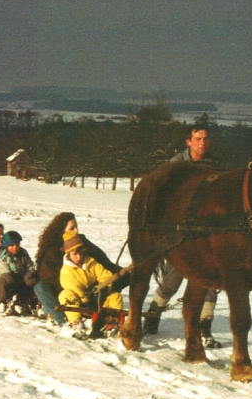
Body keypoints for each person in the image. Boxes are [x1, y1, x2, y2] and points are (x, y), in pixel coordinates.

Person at [144, 123, 222, 348]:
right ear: (188, 142)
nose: (202, 143)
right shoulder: (175, 167)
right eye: (198, 139)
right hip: (179, 233)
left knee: (210, 281)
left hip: (205, 234)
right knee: (172, 279)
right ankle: (152, 316)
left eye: (205, 139)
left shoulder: (214, 166)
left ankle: (204, 328)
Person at [34, 212, 126, 326]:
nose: (76, 230)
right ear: (62, 230)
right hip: (65, 292)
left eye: (77, 227)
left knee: (114, 294)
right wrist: (81, 293)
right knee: (41, 287)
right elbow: (50, 278)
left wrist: (123, 274)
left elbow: (103, 262)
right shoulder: (52, 251)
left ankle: (110, 322)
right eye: (72, 228)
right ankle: (67, 322)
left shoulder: (82, 243)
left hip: (91, 292)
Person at [58, 231, 123, 339]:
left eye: (80, 253)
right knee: (65, 295)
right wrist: (87, 300)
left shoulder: (91, 263)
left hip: (97, 298)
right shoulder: (66, 270)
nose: (78, 257)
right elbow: (74, 288)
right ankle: (76, 322)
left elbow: (106, 276)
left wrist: (103, 287)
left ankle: (111, 323)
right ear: (68, 254)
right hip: (79, 302)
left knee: (116, 296)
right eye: (75, 254)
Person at [0, 231, 37, 315]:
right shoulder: (4, 257)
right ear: (6, 246)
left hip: (21, 277)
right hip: (8, 278)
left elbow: (29, 265)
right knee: (0, 284)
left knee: (30, 280)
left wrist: (30, 273)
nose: (15, 247)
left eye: (17, 244)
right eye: (12, 245)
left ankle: (24, 301)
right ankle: (2, 301)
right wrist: (13, 277)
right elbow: (3, 271)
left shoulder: (23, 254)